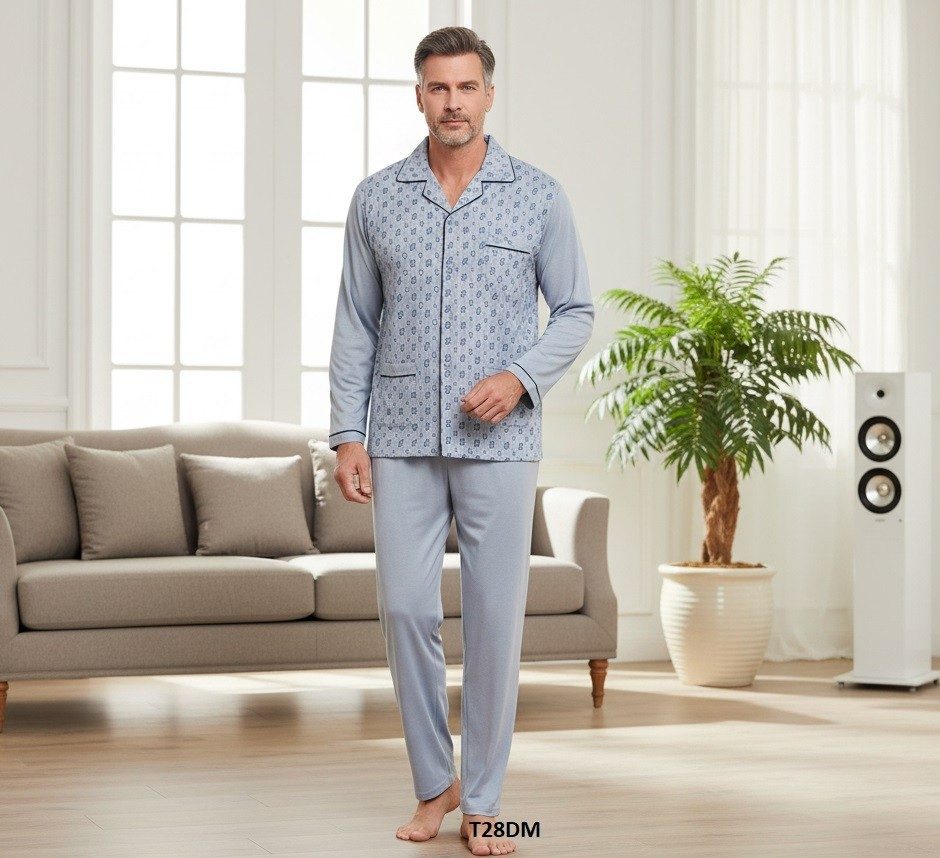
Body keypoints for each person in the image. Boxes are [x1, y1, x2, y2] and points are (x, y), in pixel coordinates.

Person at [327, 25, 594, 856]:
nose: (453, 103)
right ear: (419, 96)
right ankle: (432, 781)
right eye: (438, 88)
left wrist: (519, 377)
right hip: (401, 435)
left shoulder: (538, 195)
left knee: (493, 624)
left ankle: (483, 801)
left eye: (467, 87)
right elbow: (355, 324)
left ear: (489, 94)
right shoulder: (377, 198)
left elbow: (576, 311)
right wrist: (346, 433)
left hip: (502, 443)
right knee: (406, 609)